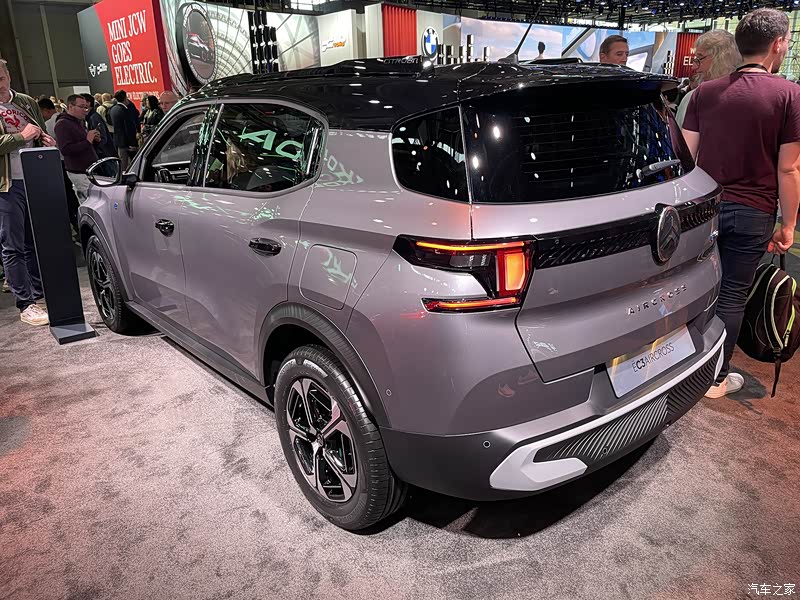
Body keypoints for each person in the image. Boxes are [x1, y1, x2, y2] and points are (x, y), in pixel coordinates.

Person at [681, 8, 799, 398]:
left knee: (694, 288)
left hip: (705, 210)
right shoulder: (789, 95)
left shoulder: (704, 93)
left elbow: (686, 159)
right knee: (732, 294)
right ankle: (715, 377)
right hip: (755, 212)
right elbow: (789, 168)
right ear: (778, 44)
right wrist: (788, 224)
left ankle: (680, 366)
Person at [0, 58, 54, 326]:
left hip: (33, 179)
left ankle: (39, 293)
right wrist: (21, 137)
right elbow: (22, 136)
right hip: (6, 186)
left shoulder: (25, 101)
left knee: (35, 241)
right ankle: (26, 303)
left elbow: (39, 132)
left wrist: (45, 140)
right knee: (12, 245)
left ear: (8, 76)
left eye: (0, 78)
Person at [676, 30, 741, 127]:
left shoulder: (694, 99)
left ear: (722, 59)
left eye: (699, 58)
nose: (694, 67)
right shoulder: (750, 98)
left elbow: (678, 136)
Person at [37, 97, 81, 233]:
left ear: (45, 110)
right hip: (75, 163)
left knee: (67, 195)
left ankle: (75, 224)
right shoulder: (71, 121)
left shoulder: (49, 125)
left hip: (60, 163)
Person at [55, 94, 99, 203]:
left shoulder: (79, 121)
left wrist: (94, 140)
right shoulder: (62, 124)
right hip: (79, 173)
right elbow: (65, 149)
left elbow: (83, 143)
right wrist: (87, 141)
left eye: (86, 107)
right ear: (71, 107)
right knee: (91, 203)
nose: (85, 110)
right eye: (82, 107)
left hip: (89, 171)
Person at [109, 90, 138, 170]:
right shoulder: (125, 111)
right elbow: (129, 128)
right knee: (131, 163)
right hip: (127, 142)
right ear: (125, 98)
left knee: (122, 162)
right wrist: (133, 143)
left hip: (118, 140)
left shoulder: (113, 109)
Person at [81, 93, 115, 161]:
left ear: (88, 103)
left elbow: (102, 138)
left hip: (104, 156)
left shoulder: (94, 118)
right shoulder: (89, 117)